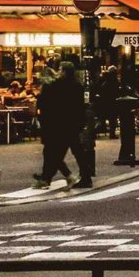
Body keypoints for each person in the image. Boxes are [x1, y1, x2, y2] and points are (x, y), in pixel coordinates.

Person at [34, 61, 90, 189]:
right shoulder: (77, 86)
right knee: (73, 151)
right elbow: (81, 107)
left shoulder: (56, 86)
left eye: (60, 69)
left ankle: (49, 177)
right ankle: (48, 177)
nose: (59, 71)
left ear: (64, 71)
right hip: (73, 123)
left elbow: (49, 105)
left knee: (54, 152)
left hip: (60, 124)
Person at [113, 59, 139, 167]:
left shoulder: (124, 80)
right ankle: (129, 154)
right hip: (127, 110)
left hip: (125, 110)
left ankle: (126, 154)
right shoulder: (129, 78)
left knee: (126, 132)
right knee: (128, 132)